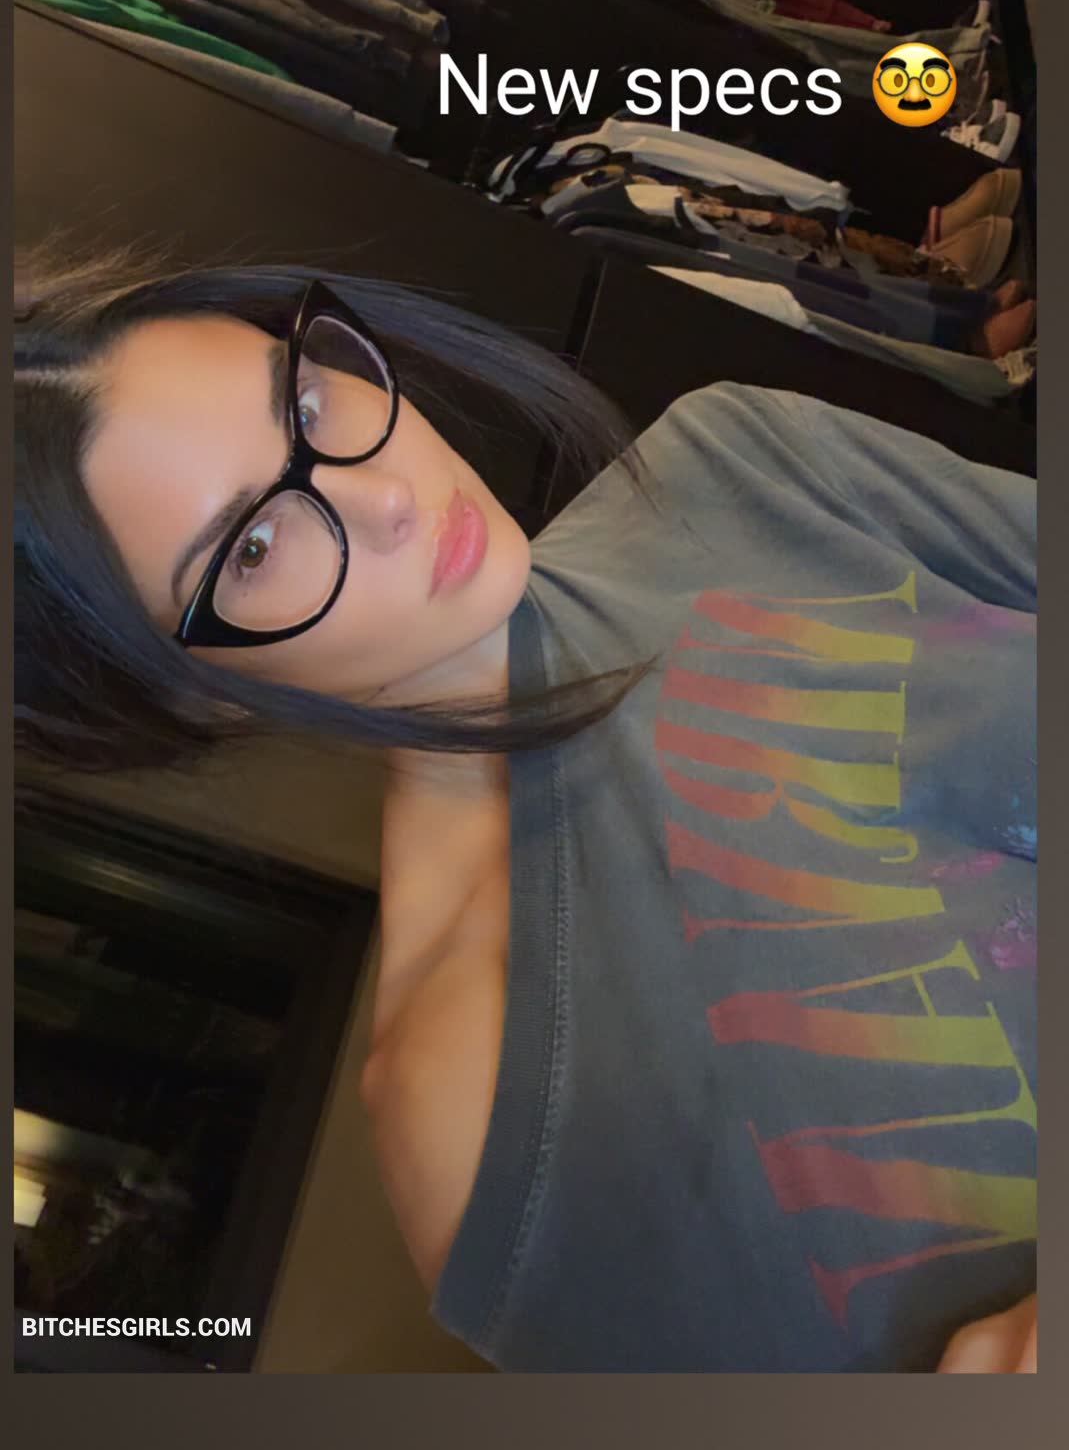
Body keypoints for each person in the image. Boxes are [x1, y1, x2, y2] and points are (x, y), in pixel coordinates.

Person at [15, 238, 1036, 1373]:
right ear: (192, 695)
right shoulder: (474, 1113)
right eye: (254, 545)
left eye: (303, 402)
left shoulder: (733, 465)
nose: (386, 495)